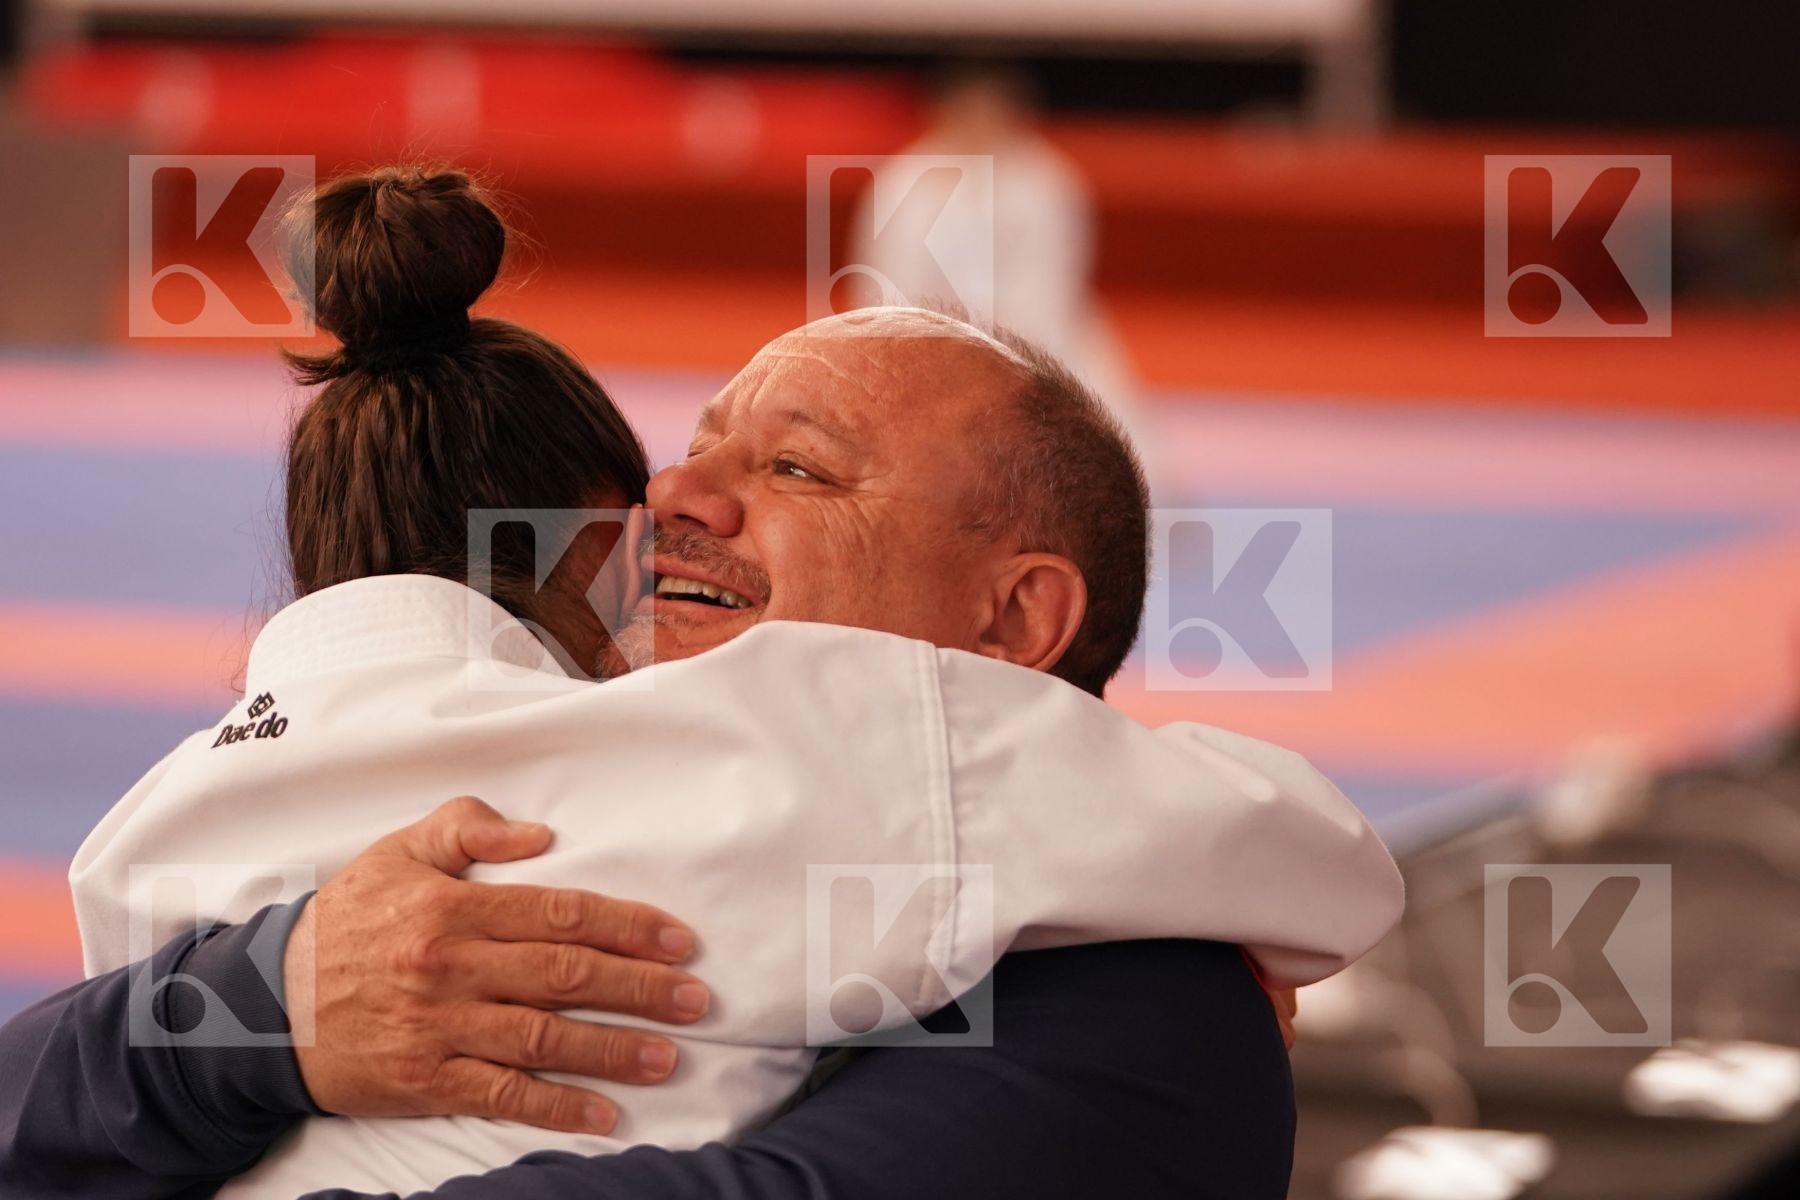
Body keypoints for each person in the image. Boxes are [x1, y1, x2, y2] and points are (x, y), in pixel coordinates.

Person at [0, 186, 1402, 1199]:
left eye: (797, 469)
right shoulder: (485, 822)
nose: (675, 498)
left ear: (1015, 616)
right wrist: (270, 1004)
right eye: (692, 452)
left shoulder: (1142, 1017)